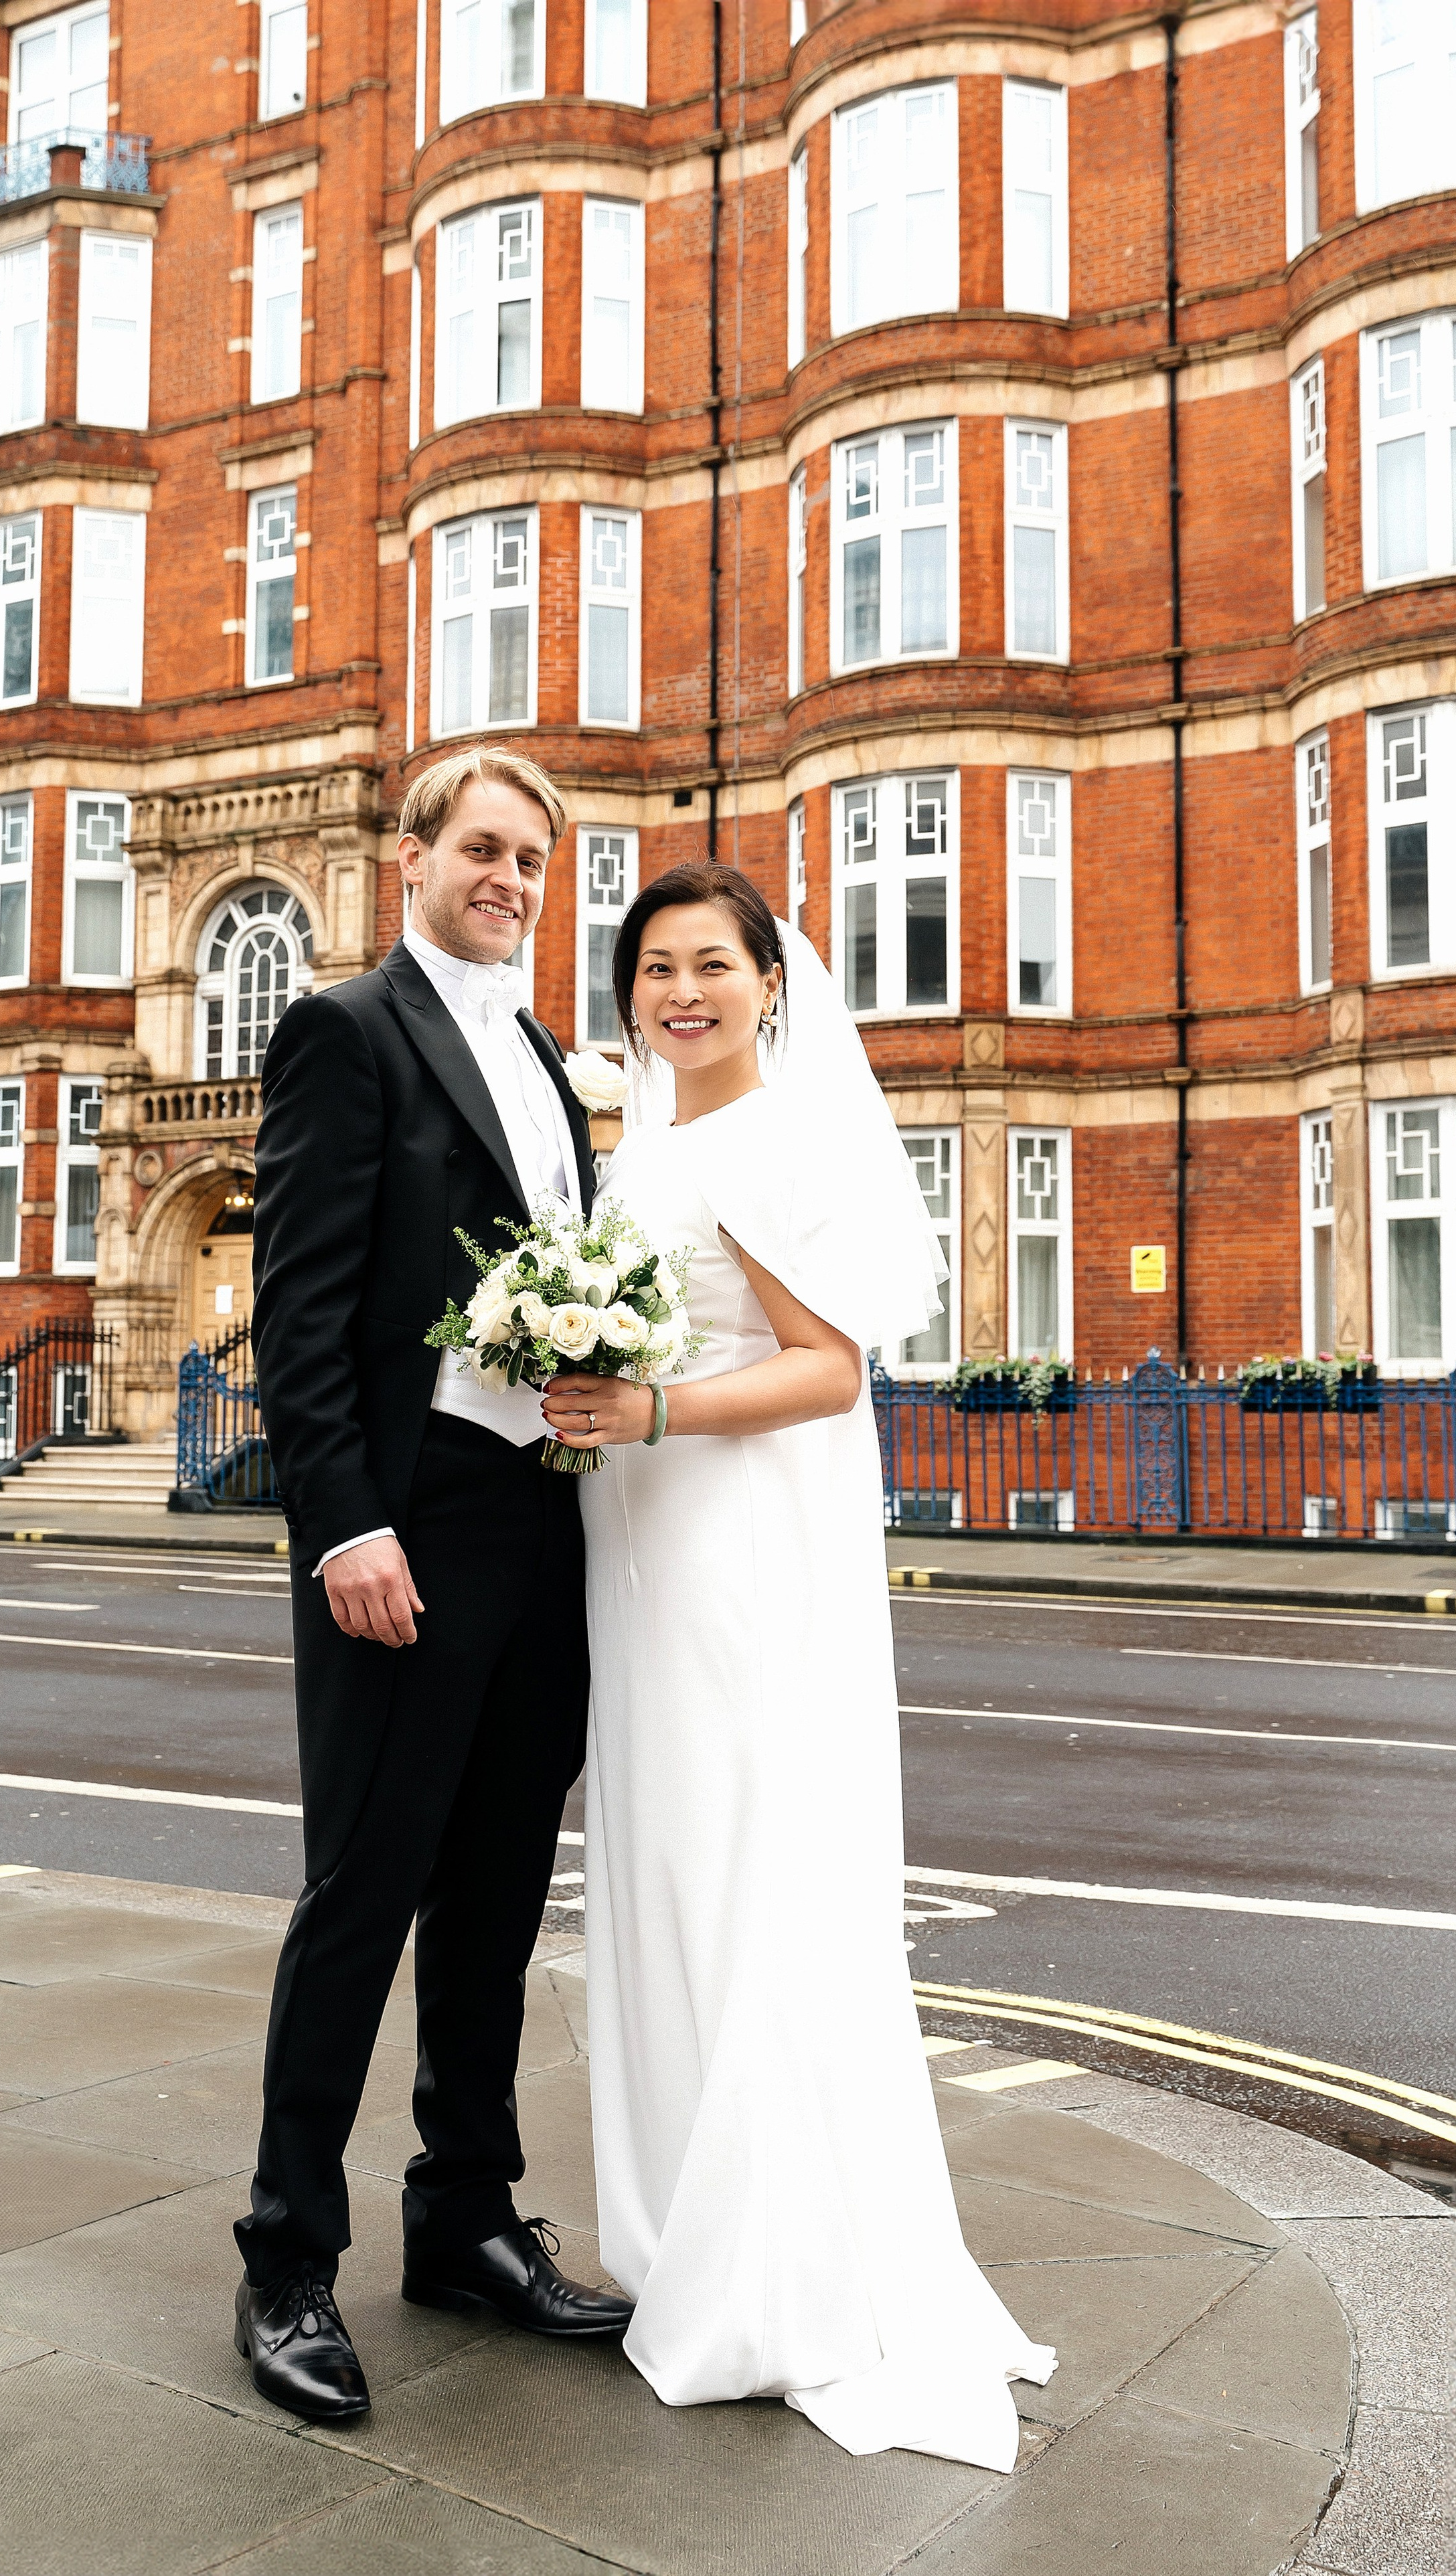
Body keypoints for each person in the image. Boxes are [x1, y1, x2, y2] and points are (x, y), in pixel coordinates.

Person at [540, 863, 1056, 2466]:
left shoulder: (770, 1139)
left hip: (735, 1548)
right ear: (628, 994)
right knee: (670, 1865)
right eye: (654, 968)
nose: (680, 990)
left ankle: (775, 2268)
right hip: (638, 1551)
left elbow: (828, 1370)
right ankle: (694, 2227)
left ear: (772, 981)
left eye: (712, 963)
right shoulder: (648, 1141)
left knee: (749, 1868)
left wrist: (651, 1410)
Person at [233, 746, 633, 2423]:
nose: (512, 879)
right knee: (363, 1890)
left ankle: (462, 2215)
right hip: (407, 1528)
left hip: (544, 1527)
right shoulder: (346, 1029)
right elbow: (301, 1309)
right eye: (483, 848)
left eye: (535, 859)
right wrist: (343, 1526)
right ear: (411, 855)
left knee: (490, 1896)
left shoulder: (549, 1057)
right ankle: (284, 2259)